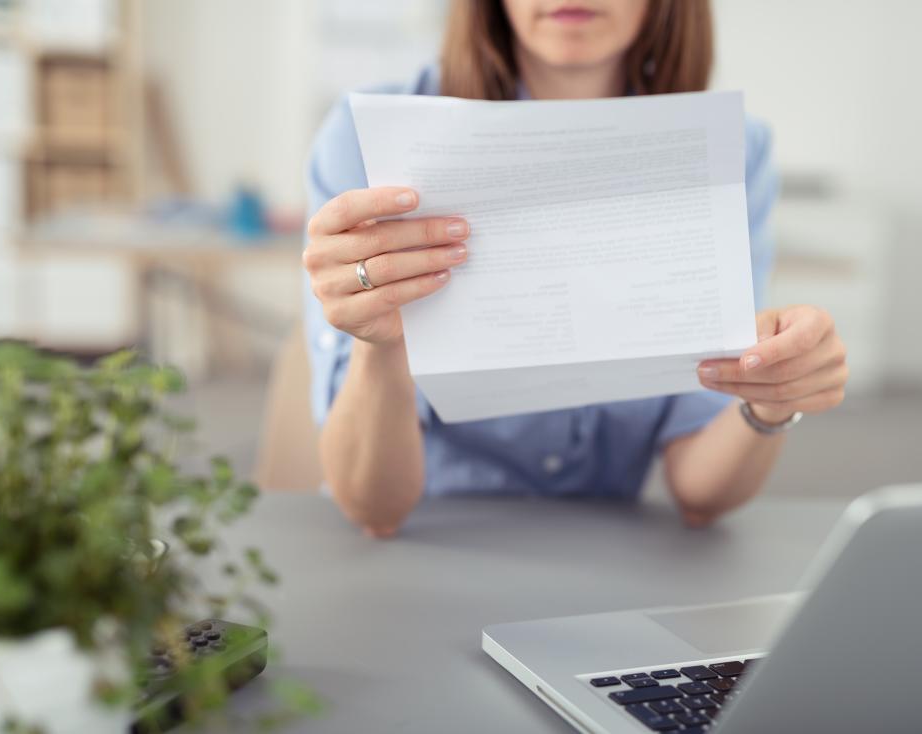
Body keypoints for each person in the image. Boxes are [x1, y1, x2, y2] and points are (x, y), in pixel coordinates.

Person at [302, 0, 849, 537]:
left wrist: (770, 399)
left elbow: (701, 491)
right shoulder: (366, 139)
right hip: (431, 545)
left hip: (608, 559)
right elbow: (374, 509)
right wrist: (381, 345)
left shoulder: (729, 149)